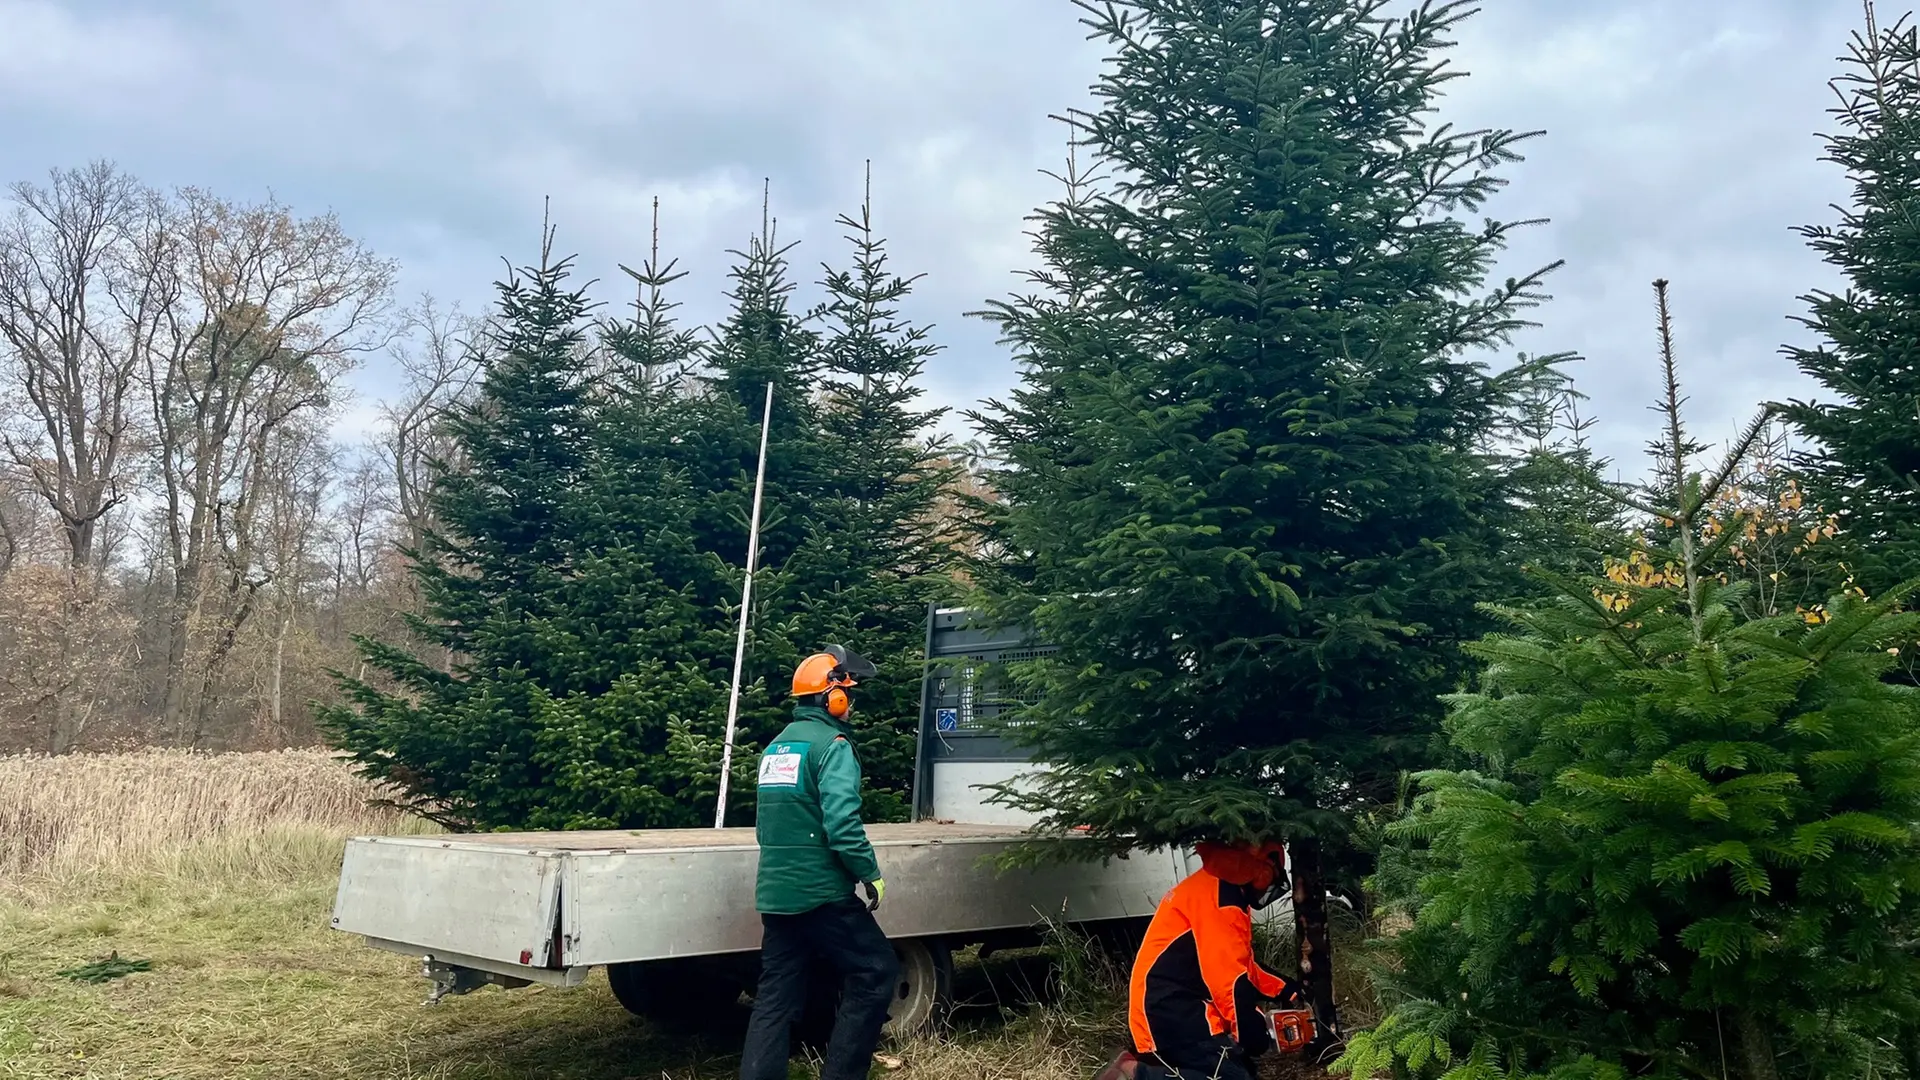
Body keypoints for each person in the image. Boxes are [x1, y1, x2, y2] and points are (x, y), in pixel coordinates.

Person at [739, 645, 900, 1080]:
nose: (851, 703)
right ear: (833, 697)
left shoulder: (776, 748)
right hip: (822, 894)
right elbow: (843, 824)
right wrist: (870, 873)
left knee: (774, 998)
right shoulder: (833, 746)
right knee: (876, 971)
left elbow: (766, 827)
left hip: (776, 896)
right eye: (848, 693)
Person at [1127, 840, 1301, 1080]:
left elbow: (1242, 965)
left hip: (1176, 1005)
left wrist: (1286, 989)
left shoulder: (1221, 888)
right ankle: (1141, 1076)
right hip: (1170, 1012)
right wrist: (1249, 1030)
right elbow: (1228, 980)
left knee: (1243, 1070)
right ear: (1262, 867)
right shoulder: (1221, 900)